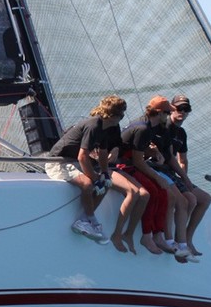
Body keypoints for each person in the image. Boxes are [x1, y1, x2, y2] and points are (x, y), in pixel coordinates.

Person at [115, 96, 188, 260]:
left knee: (162, 192)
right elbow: (137, 161)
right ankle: (146, 235)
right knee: (153, 192)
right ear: (159, 113)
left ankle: (157, 235)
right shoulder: (143, 128)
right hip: (122, 165)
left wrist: (154, 152)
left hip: (131, 163)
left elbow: (139, 150)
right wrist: (157, 177)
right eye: (168, 112)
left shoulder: (151, 125)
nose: (169, 115)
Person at [45, 95, 126, 242]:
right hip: (58, 162)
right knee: (87, 184)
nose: (123, 117)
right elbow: (83, 156)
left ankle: (83, 220)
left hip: (73, 162)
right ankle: (92, 220)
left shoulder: (106, 128)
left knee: (106, 184)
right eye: (122, 114)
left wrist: (104, 174)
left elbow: (102, 153)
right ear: (114, 115)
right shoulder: (93, 125)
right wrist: (95, 179)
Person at [165, 94, 210, 258]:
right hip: (162, 171)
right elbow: (170, 158)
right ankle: (178, 241)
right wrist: (185, 180)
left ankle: (187, 239)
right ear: (171, 108)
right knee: (188, 198)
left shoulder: (181, 133)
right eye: (179, 108)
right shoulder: (165, 127)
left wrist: (185, 179)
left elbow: (182, 160)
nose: (182, 112)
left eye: (186, 109)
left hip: (173, 174)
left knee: (204, 198)